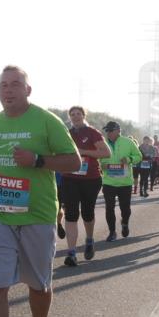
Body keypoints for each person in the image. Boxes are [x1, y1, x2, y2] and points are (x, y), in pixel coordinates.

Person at [0, 66, 81, 317]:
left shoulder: (47, 121)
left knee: (39, 285)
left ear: (28, 90)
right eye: (3, 85)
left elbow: (74, 161)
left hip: (37, 215)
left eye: (15, 84)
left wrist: (37, 161)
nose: (8, 90)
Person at [59, 106, 110, 266]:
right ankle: (71, 253)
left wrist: (83, 152)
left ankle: (89, 240)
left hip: (91, 179)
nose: (75, 116)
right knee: (71, 214)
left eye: (78, 114)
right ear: (69, 117)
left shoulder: (92, 132)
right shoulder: (67, 133)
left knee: (87, 213)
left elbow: (106, 153)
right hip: (69, 178)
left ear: (83, 115)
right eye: (72, 114)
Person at [98, 121, 142, 241]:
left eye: (111, 131)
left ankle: (125, 223)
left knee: (125, 209)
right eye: (107, 131)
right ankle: (112, 232)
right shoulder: (103, 143)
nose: (108, 133)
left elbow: (139, 156)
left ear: (118, 130)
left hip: (125, 182)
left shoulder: (128, 142)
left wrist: (129, 159)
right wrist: (102, 165)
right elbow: (97, 159)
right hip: (109, 182)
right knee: (109, 208)